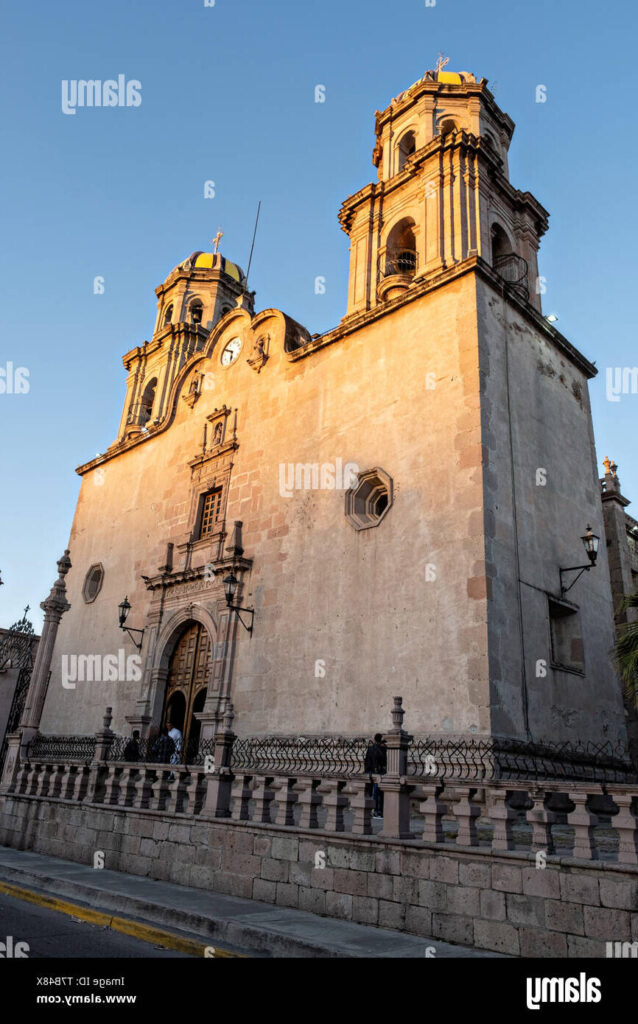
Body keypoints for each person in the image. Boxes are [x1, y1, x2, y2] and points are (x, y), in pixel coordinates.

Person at [364, 733, 387, 818]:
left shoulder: (371, 748)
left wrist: (367, 771)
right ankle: (379, 811)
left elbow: (367, 761)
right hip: (381, 772)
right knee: (379, 793)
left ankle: (375, 811)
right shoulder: (384, 748)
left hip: (371, 772)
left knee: (374, 793)